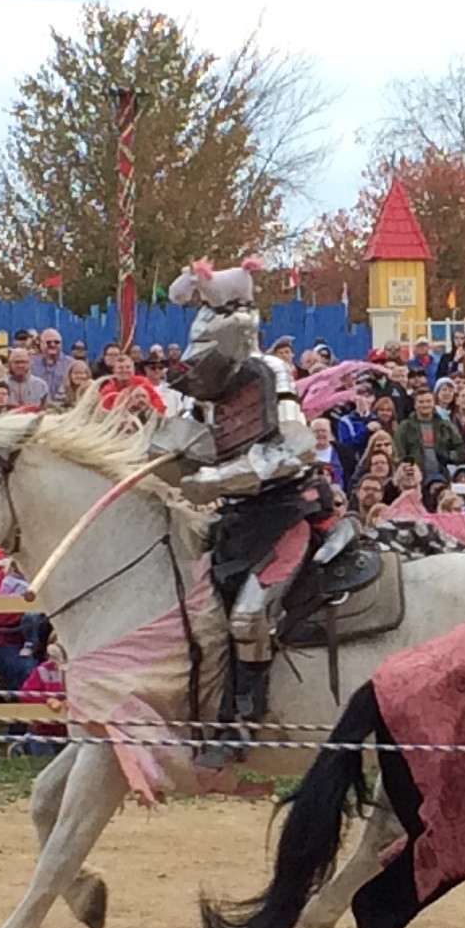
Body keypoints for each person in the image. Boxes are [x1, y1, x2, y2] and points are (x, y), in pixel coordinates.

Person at [160, 256, 325, 721]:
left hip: (285, 510)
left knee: (249, 617)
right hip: (234, 517)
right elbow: (192, 445)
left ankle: (249, 712)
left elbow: (296, 448)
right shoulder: (211, 394)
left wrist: (217, 479)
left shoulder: (268, 372)